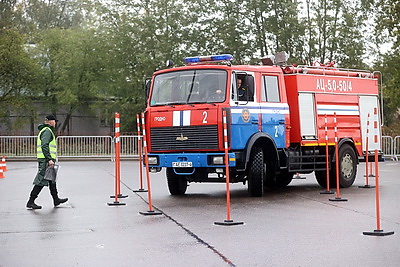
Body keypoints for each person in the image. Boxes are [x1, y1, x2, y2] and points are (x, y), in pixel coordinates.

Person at [26, 115, 68, 209]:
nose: (55, 123)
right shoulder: (47, 131)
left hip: (47, 160)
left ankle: (56, 199)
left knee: (52, 180)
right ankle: (31, 201)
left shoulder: (47, 131)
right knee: (41, 180)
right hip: (46, 160)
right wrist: (49, 159)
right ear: (49, 121)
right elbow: (44, 145)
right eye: (54, 121)